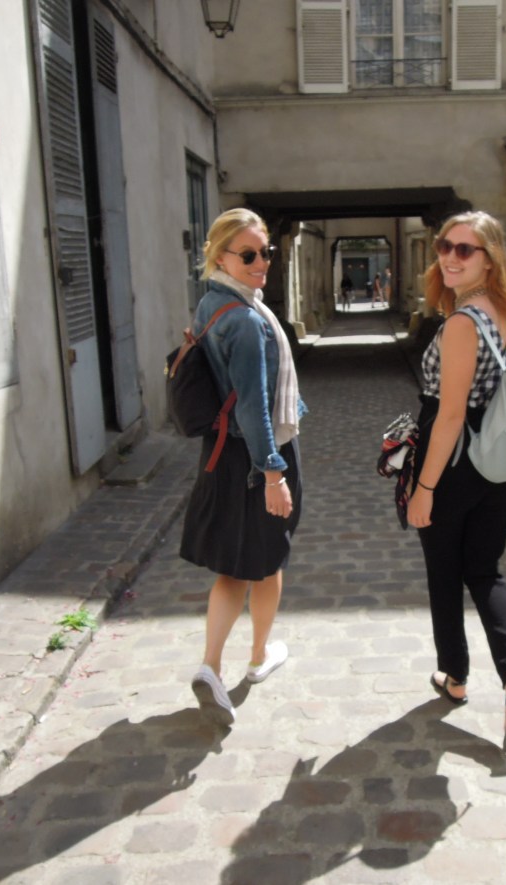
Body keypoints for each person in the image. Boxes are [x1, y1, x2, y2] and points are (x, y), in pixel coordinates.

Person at [406, 210, 506, 755]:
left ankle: (455, 676)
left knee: (444, 569)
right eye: (445, 245)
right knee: (484, 569)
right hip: (498, 459)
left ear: (489, 258)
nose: (450, 257)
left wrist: (424, 488)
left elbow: (451, 415)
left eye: (465, 249)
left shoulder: (462, 324)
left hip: (455, 459)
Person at [180, 207, 306, 728]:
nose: (261, 263)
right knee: (269, 560)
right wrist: (274, 474)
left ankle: (210, 666)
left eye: (266, 252)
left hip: (222, 453)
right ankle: (257, 658)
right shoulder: (248, 321)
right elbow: (254, 407)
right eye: (248, 254)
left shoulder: (211, 302)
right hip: (258, 455)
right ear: (219, 256)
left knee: (233, 567)